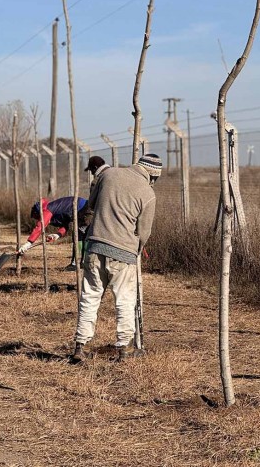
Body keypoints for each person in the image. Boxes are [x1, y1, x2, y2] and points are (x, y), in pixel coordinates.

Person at [72, 153, 162, 362]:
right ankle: (125, 348)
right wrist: (137, 248)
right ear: (153, 175)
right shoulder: (147, 193)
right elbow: (144, 230)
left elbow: (91, 206)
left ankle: (80, 346)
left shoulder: (108, 174)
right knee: (124, 300)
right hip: (123, 252)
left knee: (89, 297)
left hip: (94, 246)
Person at [18, 196, 91, 271]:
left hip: (84, 209)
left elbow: (40, 227)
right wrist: (57, 235)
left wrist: (28, 244)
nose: (40, 219)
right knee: (81, 235)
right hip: (84, 208)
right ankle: (81, 263)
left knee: (78, 235)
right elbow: (65, 225)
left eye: (39, 218)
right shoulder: (57, 210)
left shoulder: (48, 210)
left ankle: (75, 264)